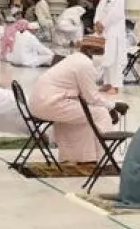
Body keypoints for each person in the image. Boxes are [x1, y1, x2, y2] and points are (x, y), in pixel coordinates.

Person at [27, 36, 118, 164]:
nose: (101, 57)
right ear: (92, 52)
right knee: (100, 114)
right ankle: (103, 157)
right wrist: (113, 106)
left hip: (42, 102)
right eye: (100, 53)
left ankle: (80, 157)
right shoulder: (84, 64)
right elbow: (91, 97)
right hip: (50, 104)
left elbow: (86, 95)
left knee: (86, 113)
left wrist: (110, 106)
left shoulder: (75, 58)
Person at [93, 0, 126, 90]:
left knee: (114, 59)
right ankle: (107, 83)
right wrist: (96, 22)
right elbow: (99, 10)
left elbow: (116, 13)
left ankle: (115, 86)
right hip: (104, 31)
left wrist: (104, 24)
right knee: (105, 57)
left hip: (114, 31)